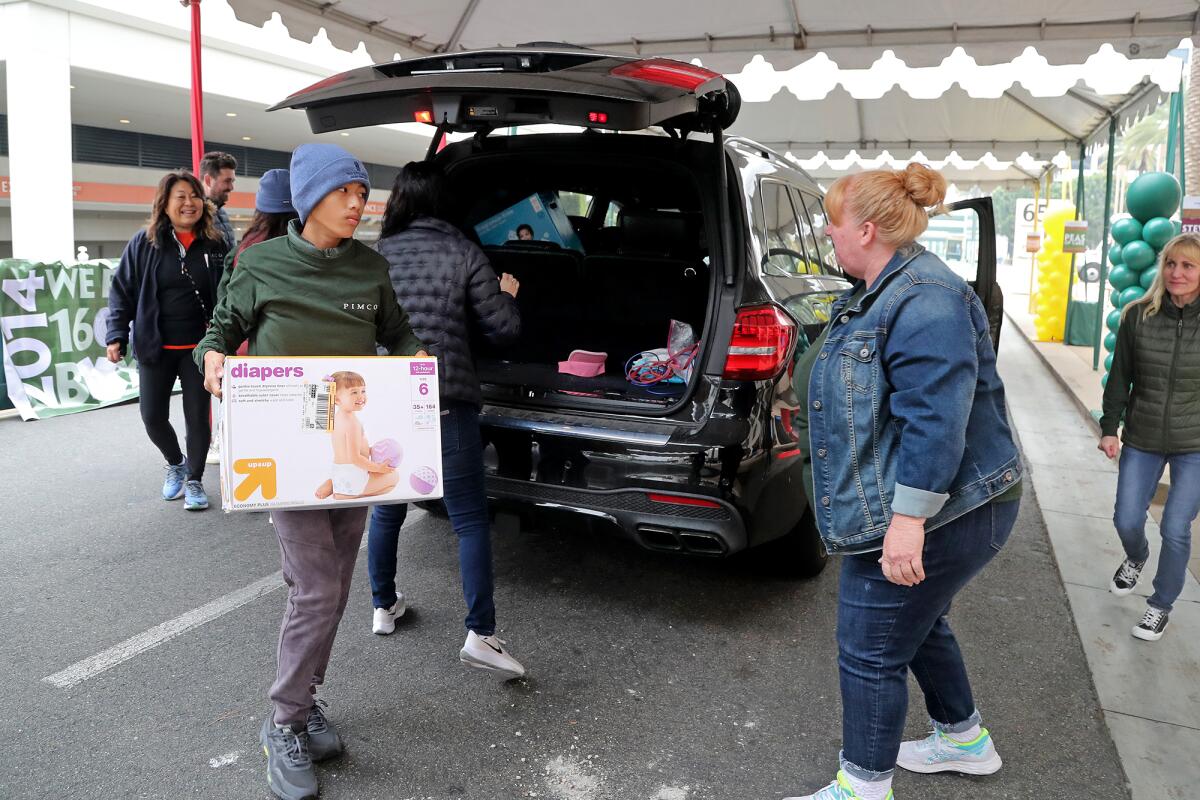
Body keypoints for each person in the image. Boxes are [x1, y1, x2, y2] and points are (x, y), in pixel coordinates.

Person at [783, 164, 1023, 800]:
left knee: (869, 646)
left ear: (864, 229)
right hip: (933, 500)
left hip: (949, 506)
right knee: (917, 621)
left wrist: (907, 523)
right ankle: (964, 739)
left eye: (832, 224)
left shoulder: (926, 298)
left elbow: (936, 424)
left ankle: (862, 787)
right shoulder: (884, 285)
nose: (827, 235)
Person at [195, 143, 427, 800]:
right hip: (287, 456)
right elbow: (218, 332)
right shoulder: (261, 264)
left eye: (363, 192)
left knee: (334, 588)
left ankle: (307, 704)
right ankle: (286, 721)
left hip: (350, 451)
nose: (360, 203)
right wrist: (212, 360)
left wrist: (418, 360)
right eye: (345, 192)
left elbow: (400, 334)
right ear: (309, 199)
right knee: (317, 592)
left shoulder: (371, 269)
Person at [367, 161, 525, 680]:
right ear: (445, 203)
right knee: (469, 521)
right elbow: (501, 329)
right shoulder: (462, 251)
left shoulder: (377, 254)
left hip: (390, 397)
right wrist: (509, 294)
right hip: (446, 398)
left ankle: (383, 606)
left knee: (387, 507)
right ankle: (481, 634)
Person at [105, 170, 227, 511]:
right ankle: (176, 463)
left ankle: (195, 480)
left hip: (200, 350)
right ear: (165, 203)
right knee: (152, 416)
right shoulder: (144, 244)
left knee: (197, 417)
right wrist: (116, 334)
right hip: (155, 346)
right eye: (181, 197)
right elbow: (121, 292)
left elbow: (230, 293)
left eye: (195, 196)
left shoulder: (215, 245)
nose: (189, 203)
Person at [1099, 232, 1200, 642]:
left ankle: (1160, 605)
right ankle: (1136, 557)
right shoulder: (1137, 315)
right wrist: (1110, 427)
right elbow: (1119, 377)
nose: (1177, 273)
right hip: (1141, 434)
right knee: (1126, 517)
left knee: (1175, 527)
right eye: (1171, 264)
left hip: (1194, 443)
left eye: (1188, 266)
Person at [313, 370, 400, 500]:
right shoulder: (352, 423)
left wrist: (372, 450)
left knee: (369, 473)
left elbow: (346, 449)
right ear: (337, 399)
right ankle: (348, 493)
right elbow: (355, 458)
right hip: (354, 478)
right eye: (354, 392)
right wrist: (378, 468)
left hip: (340, 471)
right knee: (394, 478)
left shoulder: (338, 417)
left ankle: (334, 483)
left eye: (363, 391)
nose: (361, 397)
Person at [199, 150, 238, 251]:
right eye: (227, 181)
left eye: (232, 181)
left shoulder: (222, 212)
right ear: (208, 180)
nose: (231, 187)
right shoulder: (195, 214)